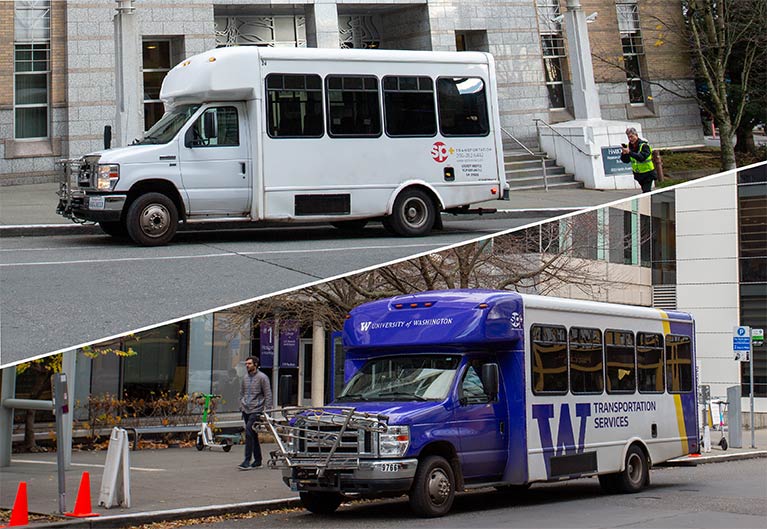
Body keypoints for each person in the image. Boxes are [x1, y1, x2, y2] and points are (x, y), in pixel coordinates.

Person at [238, 355, 272, 470]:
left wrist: (267, 411)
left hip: (256, 409)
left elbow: (268, 394)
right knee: (253, 434)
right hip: (246, 409)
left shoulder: (262, 378)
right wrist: (241, 404)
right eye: (246, 364)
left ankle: (247, 460)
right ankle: (258, 460)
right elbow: (242, 392)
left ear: (255, 365)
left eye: (249, 364)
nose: (247, 366)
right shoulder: (245, 378)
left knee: (248, 432)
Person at [621, 127, 657, 193]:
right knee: (645, 190)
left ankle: (648, 201)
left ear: (636, 135)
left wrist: (629, 152)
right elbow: (626, 161)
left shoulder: (644, 146)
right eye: (628, 137)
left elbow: (641, 158)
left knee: (646, 191)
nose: (630, 139)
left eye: (632, 136)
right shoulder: (628, 146)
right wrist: (624, 153)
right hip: (638, 174)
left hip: (648, 173)